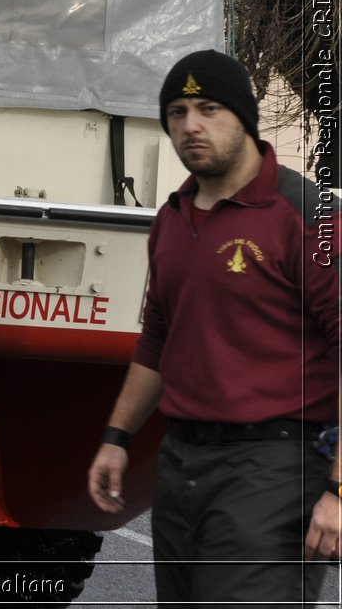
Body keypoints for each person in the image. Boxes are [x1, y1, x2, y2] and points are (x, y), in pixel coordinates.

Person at [86, 49, 341, 605]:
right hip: (181, 467)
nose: (190, 125)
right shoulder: (172, 219)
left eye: (208, 108)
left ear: (244, 118)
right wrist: (117, 438)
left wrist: (340, 490)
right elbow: (158, 337)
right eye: (176, 112)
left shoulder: (309, 216)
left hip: (276, 471)